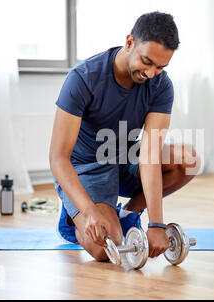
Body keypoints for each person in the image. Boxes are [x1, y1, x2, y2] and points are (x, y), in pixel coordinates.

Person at [49, 11, 200, 262]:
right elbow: (57, 159)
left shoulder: (161, 85)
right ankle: (72, 215)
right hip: (85, 168)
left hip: (125, 159)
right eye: (147, 61)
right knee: (106, 250)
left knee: (188, 160)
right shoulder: (83, 78)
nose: (151, 73)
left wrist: (156, 225)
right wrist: (88, 210)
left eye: (161, 67)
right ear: (129, 42)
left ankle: (128, 213)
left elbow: (150, 155)